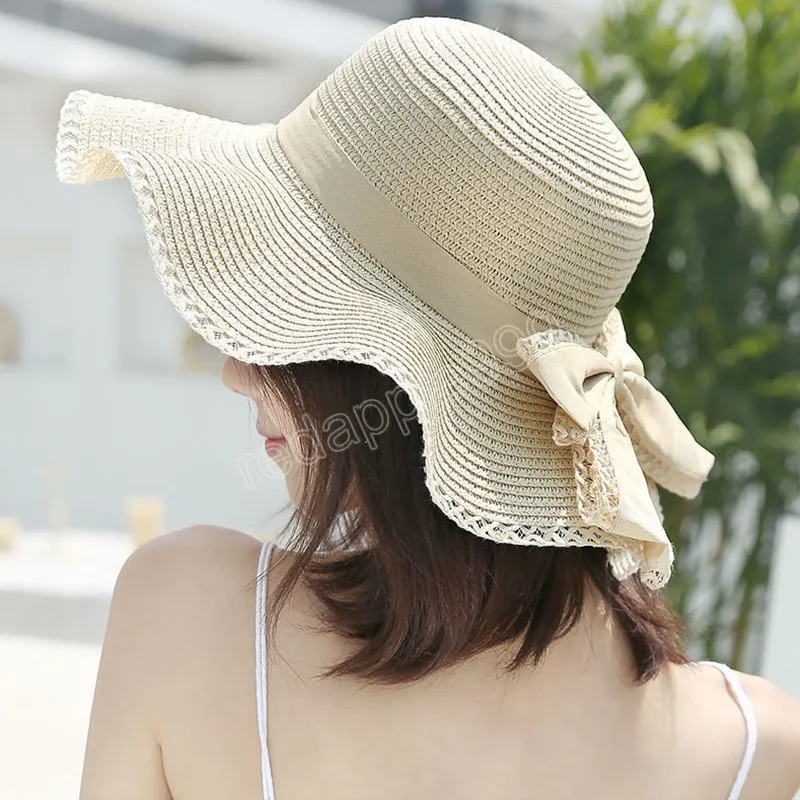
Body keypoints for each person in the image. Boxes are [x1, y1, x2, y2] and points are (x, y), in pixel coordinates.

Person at [55, 16, 800, 800]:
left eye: (280, 325)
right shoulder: (755, 747)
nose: (237, 373)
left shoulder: (188, 616)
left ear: (386, 383)